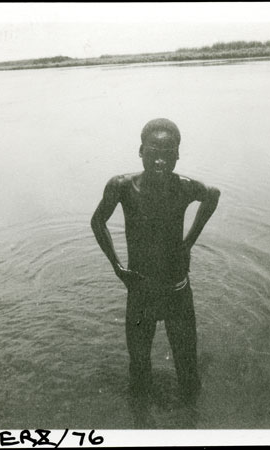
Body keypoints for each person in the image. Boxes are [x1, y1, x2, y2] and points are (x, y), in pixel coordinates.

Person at [91, 118, 220, 410]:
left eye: (168, 150)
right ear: (140, 151)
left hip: (177, 290)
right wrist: (117, 267)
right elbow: (98, 221)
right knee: (138, 369)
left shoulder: (185, 188)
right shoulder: (122, 186)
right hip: (140, 292)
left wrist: (188, 243)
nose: (160, 157)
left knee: (188, 373)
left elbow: (212, 195)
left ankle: (190, 426)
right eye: (153, 150)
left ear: (177, 155)